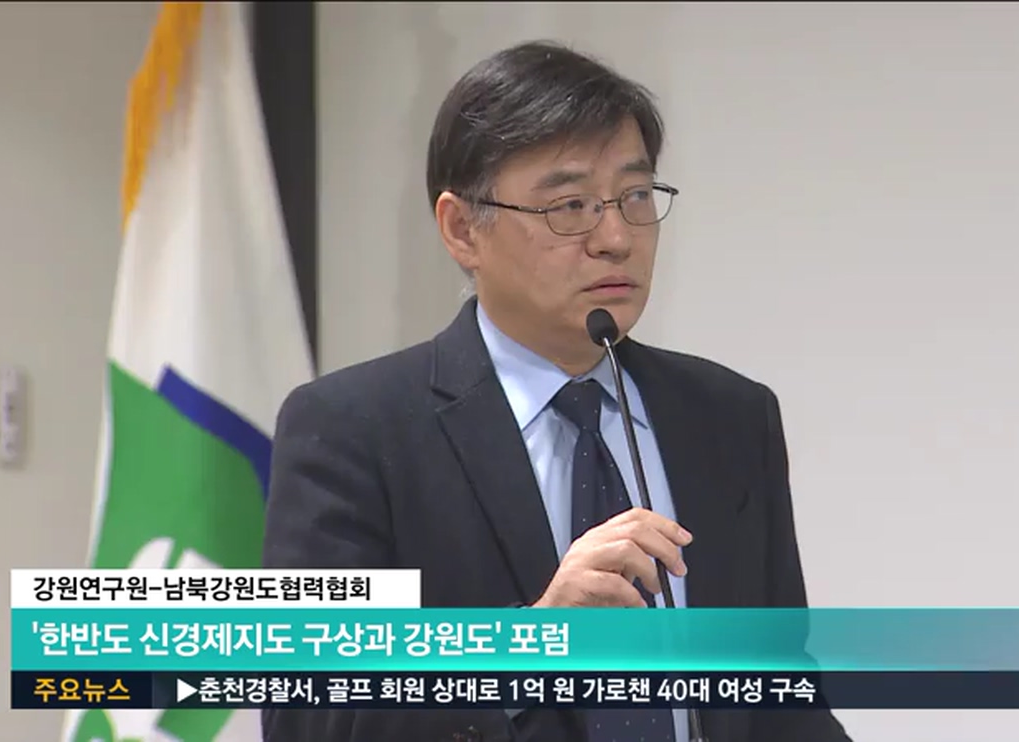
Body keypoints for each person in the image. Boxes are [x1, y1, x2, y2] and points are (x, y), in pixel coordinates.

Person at [261, 40, 853, 742]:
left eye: (636, 197)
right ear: (462, 229)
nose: (616, 237)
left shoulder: (729, 417)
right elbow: (313, 719)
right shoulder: (353, 433)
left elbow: (782, 704)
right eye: (570, 205)